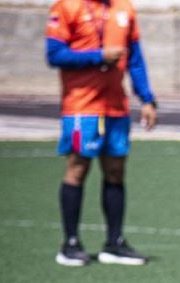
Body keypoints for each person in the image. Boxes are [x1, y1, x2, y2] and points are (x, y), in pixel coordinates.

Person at [46, 0, 157, 266]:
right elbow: (54, 54)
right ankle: (70, 243)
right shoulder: (66, 7)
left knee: (116, 171)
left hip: (116, 107)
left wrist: (147, 99)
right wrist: (99, 55)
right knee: (77, 168)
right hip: (81, 109)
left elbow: (136, 58)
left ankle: (114, 243)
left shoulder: (124, 8)